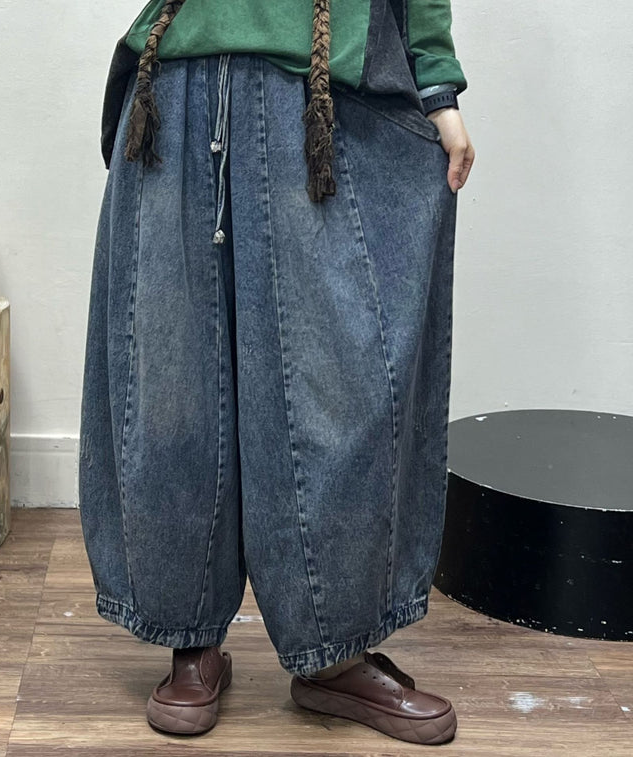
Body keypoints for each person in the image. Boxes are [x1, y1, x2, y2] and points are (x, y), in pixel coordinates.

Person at [78, 0, 475, 746]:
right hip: (179, 81)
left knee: (338, 389)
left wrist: (438, 89)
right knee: (172, 382)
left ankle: (335, 652)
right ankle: (191, 638)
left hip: (325, 95)